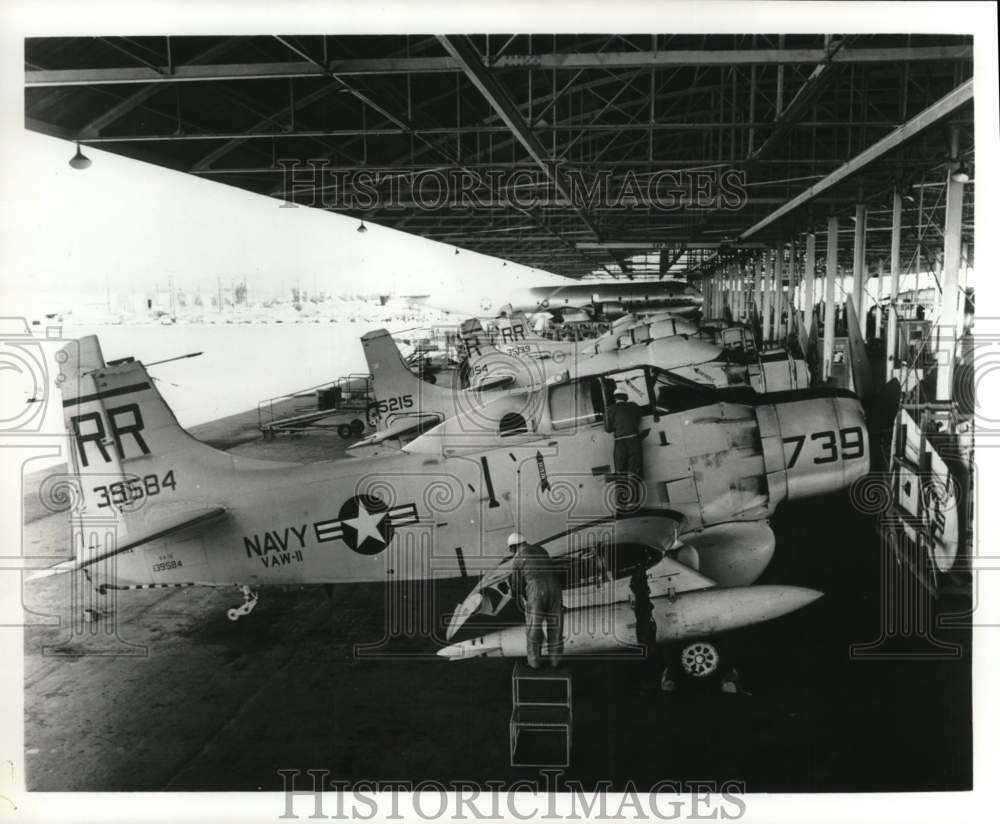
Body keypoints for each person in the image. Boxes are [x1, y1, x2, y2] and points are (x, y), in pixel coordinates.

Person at [508, 533, 564, 669]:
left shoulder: (517, 558)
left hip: (536, 590)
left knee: (533, 628)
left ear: (513, 547)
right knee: (555, 626)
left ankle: (534, 663)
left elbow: (517, 585)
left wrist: (517, 594)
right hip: (555, 589)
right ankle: (555, 661)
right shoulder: (542, 550)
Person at [605, 389, 643, 508]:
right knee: (633, 471)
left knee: (620, 472)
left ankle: (621, 502)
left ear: (615, 398)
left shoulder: (609, 409)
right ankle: (633, 501)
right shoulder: (634, 406)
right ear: (626, 397)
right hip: (633, 440)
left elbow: (608, 429)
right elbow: (638, 420)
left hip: (619, 442)